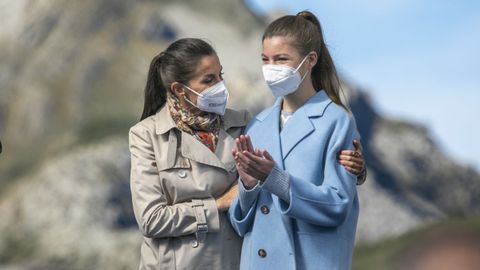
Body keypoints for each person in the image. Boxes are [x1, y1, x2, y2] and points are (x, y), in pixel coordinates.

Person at [129, 38, 366, 269]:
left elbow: (288, 163)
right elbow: (151, 220)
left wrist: (353, 170)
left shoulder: (244, 124)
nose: (220, 85)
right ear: (180, 89)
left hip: (234, 260)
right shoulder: (146, 135)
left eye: (221, 75)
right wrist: (219, 203)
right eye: (209, 80)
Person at [229, 11, 361, 270]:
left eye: (281, 59)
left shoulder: (336, 121)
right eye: (265, 60)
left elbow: (338, 205)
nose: (271, 68)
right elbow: (241, 224)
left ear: (310, 60)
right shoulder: (257, 125)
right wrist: (248, 187)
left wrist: (275, 179)